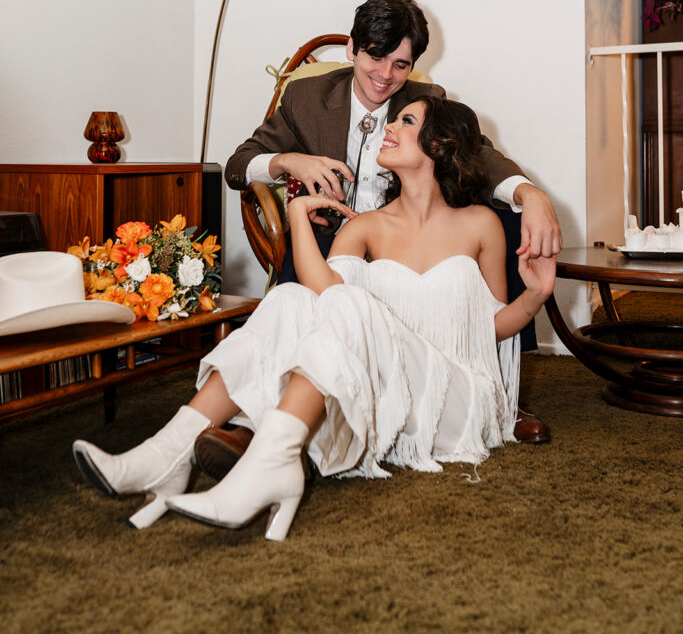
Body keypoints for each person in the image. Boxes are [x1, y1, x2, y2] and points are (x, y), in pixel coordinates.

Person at [72, 96, 556, 542]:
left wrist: (535, 294)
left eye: (405, 120)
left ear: (439, 144)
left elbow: (490, 326)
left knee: (345, 302)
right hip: (389, 389)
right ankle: (171, 451)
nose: (388, 125)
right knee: (289, 300)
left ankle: (267, 458)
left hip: (451, 399)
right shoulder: (367, 224)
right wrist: (298, 215)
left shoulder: (481, 223)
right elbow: (322, 294)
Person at [208, 0, 561, 470]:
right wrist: (291, 161)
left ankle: (498, 392)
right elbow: (237, 166)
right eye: (376, 56)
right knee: (296, 286)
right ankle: (267, 411)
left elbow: (482, 155)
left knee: (504, 218)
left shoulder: (425, 102)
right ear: (352, 49)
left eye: (401, 64)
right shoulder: (307, 98)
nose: (386, 76)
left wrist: (530, 195)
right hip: (339, 232)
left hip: (416, 232)